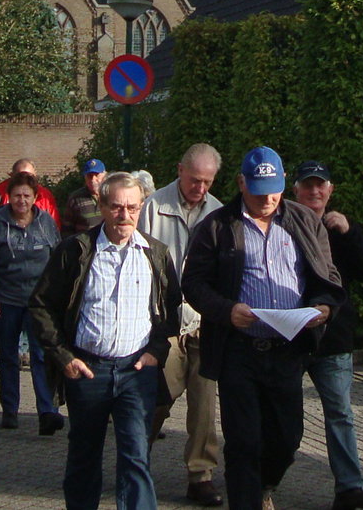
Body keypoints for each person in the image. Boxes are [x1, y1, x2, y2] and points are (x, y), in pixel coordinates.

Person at [181, 146, 345, 510]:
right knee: (243, 443)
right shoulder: (217, 226)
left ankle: (261, 488)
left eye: (273, 191)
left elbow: (328, 275)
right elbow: (192, 283)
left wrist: (324, 306)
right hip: (239, 351)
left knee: (287, 439)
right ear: (241, 183)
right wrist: (227, 310)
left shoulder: (305, 221)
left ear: (284, 182)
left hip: (287, 351)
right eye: (257, 192)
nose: (267, 199)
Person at [31, 172, 182, 510]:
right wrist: (64, 357)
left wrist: (156, 351)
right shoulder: (75, 251)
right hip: (88, 370)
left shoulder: (156, 254)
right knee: (84, 456)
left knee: (136, 456)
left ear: (141, 208)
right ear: (101, 206)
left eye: (132, 207)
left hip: (136, 372)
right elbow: (41, 305)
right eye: (116, 207)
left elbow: (172, 309)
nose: (124, 215)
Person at [290, 161, 363, 510]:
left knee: (340, 413)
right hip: (291, 337)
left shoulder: (341, 229)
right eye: (307, 185)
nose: (314, 191)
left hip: (333, 340)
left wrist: (350, 232)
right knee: (284, 416)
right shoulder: (282, 225)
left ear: (330, 190)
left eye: (320, 185)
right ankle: (264, 483)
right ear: (295, 190)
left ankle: (349, 487)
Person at [140, 143, 226, 507]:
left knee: (205, 406)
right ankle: (136, 460)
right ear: (180, 170)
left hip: (205, 322)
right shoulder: (153, 207)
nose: (200, 188)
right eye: (194, 180)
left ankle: (200, 476)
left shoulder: (219, 213)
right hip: (166, 323)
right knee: (159, 397)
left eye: (207, 182)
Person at [0, 168, 65, 432]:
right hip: (6, 300)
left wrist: (58, 297)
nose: (22, 201)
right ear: (9, 197)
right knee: (8, 356)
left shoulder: (46, 223)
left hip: (38, 303)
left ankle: (47, 411)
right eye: (17, 196)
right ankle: (10, 410)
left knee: (42, 355)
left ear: (35, 198)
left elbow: (58, 261)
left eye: (27, 196)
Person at [0, 158, 59, 230]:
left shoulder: (45, 195)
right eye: (20, 177)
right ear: (12, 175)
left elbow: (54, 227)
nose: (25, 181)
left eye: (30, 177)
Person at [60, 159, 107, 237]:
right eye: (89, 176)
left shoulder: (111, 196)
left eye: (97, 175)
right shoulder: (76, 198)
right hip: (83, 244)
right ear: (85, 177)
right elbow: (67, 229)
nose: (93, 179)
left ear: (104, 176)